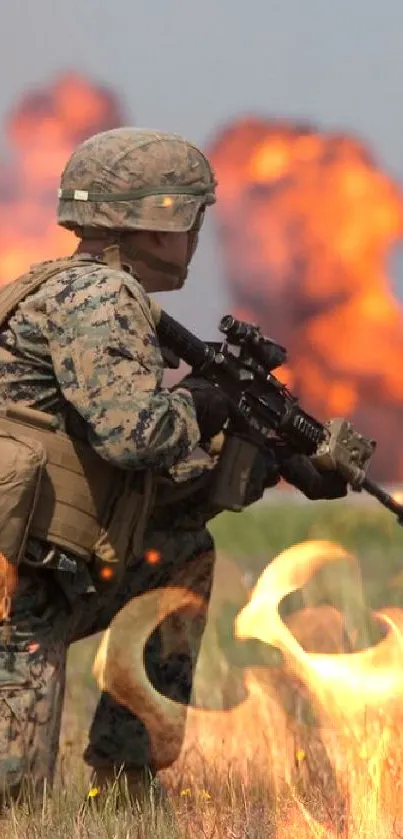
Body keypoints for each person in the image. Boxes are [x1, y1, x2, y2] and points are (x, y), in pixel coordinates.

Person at [0, 127, 347, 809]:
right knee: (14, 801)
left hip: (40, 571)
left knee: (181, 550)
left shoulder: (64, 286)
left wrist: (258, 459)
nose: (196, 238)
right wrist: (207, 404)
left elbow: (125, 471)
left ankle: (130, 774)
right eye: (192, 218)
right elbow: (135, 436)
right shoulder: (100, 300)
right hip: (19, 594)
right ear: (157, 222)